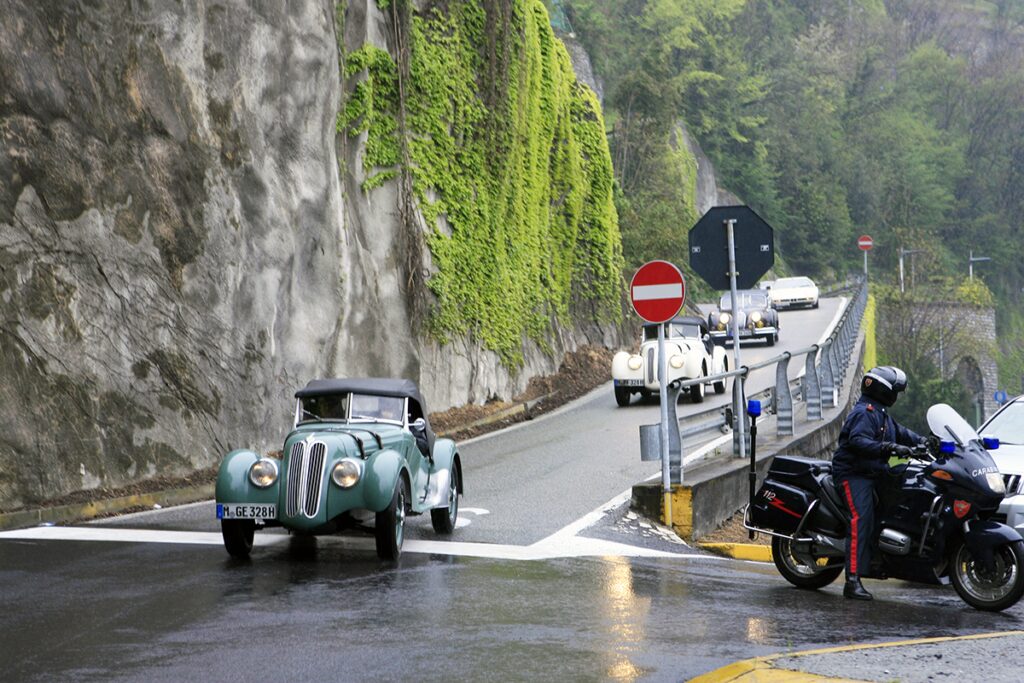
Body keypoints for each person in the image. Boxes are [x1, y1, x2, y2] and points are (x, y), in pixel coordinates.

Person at [831, 366, 928, 601]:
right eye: (895, 391)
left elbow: (901, 432)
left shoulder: (880, 413)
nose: (896, 395)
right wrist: (889, 447)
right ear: (882, 390)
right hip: (853, 474)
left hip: (873, 471)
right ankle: (852, 581)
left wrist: (925, 441)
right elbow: (858, 441)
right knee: (861, 518)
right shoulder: (865, 412)